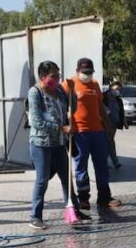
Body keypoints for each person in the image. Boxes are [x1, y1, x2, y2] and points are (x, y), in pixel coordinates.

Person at [27, 60, 89, 229]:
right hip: (41, 144)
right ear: (43, 76)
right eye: (53, 76)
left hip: (59, 144)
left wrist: (72, 92)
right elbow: (37, 121)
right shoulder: (35, 93)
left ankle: (73, 210)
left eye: (58, 75)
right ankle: (35, 216)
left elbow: (73, 108)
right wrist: (61, 128)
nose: (56, 79)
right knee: (42, 181)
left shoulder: (60, 90)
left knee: (67, 179)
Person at [62, 58, 122, 210]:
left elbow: (100, 106)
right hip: (80, 132)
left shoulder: (95, 84)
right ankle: (83, 198)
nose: (87, 75)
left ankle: (104, 196)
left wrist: (107, 124)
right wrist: (66, 126)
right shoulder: (69, 84)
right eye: (84, 72)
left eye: (89, 72)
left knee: (101, 164)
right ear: (77, 71)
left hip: (97, 131)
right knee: (81, 165)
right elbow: (61, 106)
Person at [103, 81, 127, 169]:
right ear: (110, 88)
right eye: (116, 89)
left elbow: (121, 112)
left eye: (119, 90)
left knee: (110, 141)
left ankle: (114, 162)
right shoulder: (104, 97)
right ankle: (111, 162)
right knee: (107, 142)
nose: (117, 91)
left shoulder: (118, 99)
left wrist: (124, 122)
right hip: (105, 123)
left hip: (114, 123)